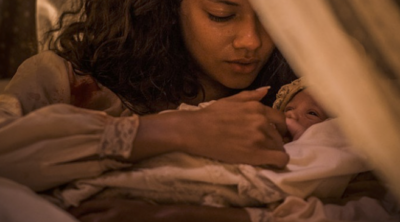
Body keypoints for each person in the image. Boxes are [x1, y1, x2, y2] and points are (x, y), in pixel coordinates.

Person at [0, 0, 299, 222]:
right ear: (166, 3)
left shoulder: (302, 103)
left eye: (273, 17)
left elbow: (361, 206)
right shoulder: (67, 82)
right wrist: (175, 130)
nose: (250, 41)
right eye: (221, 15)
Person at [49, 79, 368, 215]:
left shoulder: (324, 153)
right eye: (221, 14)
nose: (249, 41)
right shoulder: (61, 77)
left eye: (311, 114)